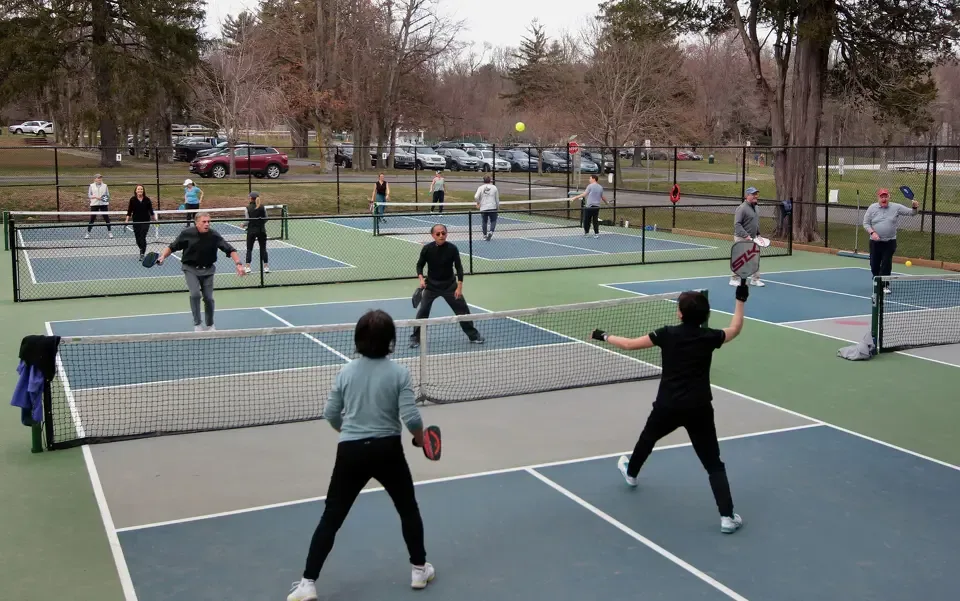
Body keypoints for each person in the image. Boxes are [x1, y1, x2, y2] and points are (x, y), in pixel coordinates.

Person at [286, 309, 434, 601]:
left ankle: (308, 583)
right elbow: (412, 419)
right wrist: (421, 440)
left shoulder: (345, 372)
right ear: (391, 341)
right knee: (408, 509)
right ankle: (419, 569)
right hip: (388, 450)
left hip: (350, 451)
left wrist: (348, 432)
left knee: (332, 517)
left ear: (358, 340)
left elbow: (330, 414)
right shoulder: (400, 373)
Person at [591, 283, 750, 534]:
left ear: (680, 314)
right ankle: (727, 516)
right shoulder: (710, 337)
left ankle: (631, 473)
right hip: (699, 408)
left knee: (648, 438)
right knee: (713, 464)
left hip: (668, 405)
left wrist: (604, 335)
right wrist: (740, 300)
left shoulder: (666, 334)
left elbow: (630, 345)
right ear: (706, 316)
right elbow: (736, 328)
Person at [156, 212, 245, 332]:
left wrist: (238, 264)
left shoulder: (214, 235)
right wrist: (162, 257)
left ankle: (210, 324)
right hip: (190, 268)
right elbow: (172, 247)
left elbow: (230, 249)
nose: (207, 224)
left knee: (208, 298)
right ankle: (197, 324)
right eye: (204, 221)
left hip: (208, 270)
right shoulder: (187, 233)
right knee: (195, 295)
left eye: (209, 221)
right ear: (196, 222)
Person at [409, 224, 485, 348]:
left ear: (446, 234)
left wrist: (459, 286)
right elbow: (419, 265)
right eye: (438, 234)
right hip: (431, 286)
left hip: (450, 286)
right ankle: (416, 338)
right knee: (423, 311)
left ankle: (473, 335)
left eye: (443, 233)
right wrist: (421, 279)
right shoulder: (427, 249)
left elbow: (459, 268)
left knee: (463, 310)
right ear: (433, 235)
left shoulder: (452, 248)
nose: (441, 236)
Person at [863, 188, 918, 294]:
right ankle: (877, 280)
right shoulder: (872, 208)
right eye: (881, 197)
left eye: (886, 196)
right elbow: (866, 223)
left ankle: (884, 285)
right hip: (875, 242)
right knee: (874, 264)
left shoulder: (896, 207)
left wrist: (915, 207)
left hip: (889, 242)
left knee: (886, 264)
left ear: (889, 197)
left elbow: (912, 213)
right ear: (878, 198)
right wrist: (872, 233)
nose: (884, 199)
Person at [731, 186, 764, 287]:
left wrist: (758, 234)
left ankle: (755, 279)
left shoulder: (756, 207)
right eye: (753, 194)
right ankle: (734, 279)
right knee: (740, 259)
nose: (755, 196)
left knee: (755, 258)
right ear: (747, 196)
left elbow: (755, 223)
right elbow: (737, 224)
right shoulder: (742, 208)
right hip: (741, 238)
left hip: (753, 238)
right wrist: (746, 236)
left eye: (756, 194)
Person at [124, 184, 158, 261]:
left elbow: (150, 210)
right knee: (138, 239)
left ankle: (142, 253)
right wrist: (127, 219)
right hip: (136, 221)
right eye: (138, 189)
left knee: (143, 236)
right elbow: (129, 211)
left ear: (143, 191)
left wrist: (154, 219)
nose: (140, 190)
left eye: (141, 189)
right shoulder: (132, 199)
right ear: (136, 191)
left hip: (146, 221)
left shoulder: (147, 199)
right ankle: (141, 248)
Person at [242, 191, 270, 274]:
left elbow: (247, 221)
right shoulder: (263, 207)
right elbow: (266, 218)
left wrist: (243, 224)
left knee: (249, 249)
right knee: (263, 248)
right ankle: (266, 267)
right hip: (261, 231)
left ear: (251, 198)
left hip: (251, 231)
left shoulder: (247, 208)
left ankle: (247, 267)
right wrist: (261, 224)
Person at [84, 173, 112, 239]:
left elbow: (108, 195)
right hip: (94, 204)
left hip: (103, 205)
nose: (100, 179)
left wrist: (102, 198)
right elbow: (89, 195)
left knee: (106, 218)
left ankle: (110, 232)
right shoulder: (91, 186)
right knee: (92, 219)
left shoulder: (105, 186)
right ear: (95, 179)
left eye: (100, 178)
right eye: (98, 178)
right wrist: (96, 197)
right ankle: (88, 233)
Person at [474, 175, 500, 240]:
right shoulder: (494, 187)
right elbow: (497, 199)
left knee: (484, 221)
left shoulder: (480, 188)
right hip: (492, 207)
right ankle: (491, 231)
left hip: (484, 207)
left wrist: (478, 202)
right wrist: (498, 206)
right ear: (490, 180)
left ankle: (485, 235)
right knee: (493, 220)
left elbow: (476, 197)